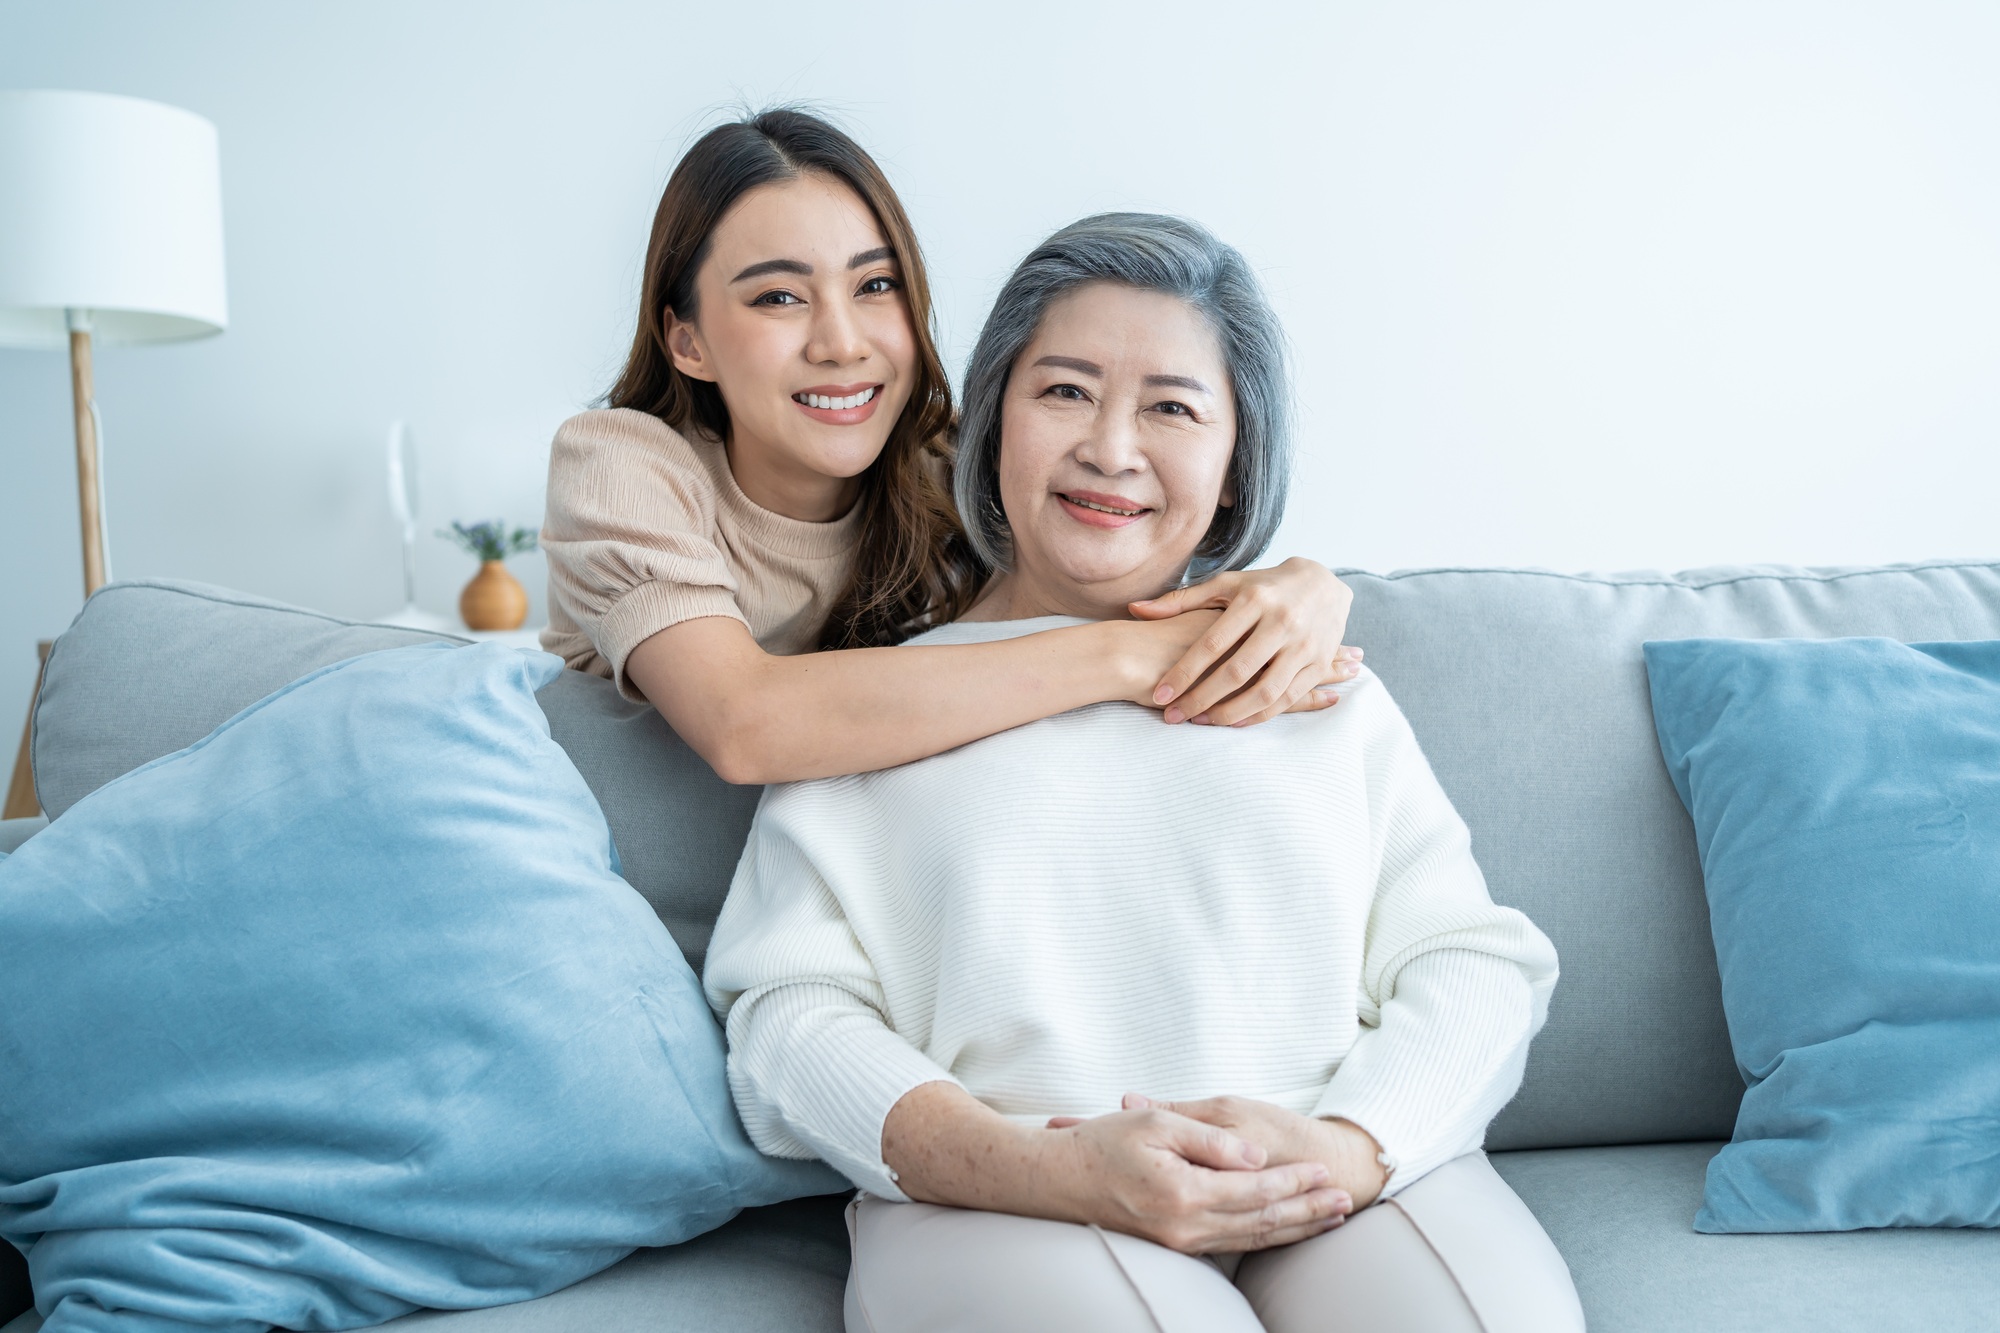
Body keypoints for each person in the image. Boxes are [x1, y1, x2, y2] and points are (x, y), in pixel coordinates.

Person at [703, 213, 1584, 1332]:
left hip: (1329, 1167)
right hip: (1004, 1198)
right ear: (991, 426)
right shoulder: (870, 709)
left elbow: (1468, 960)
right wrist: (1032, 1167)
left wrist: (1353, 1148)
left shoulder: (1314, 682)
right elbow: (788, 1014)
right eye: (1063, 391)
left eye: (1170, 407)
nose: (1110, 448)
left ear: (1230, 471)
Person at [539, 109, 1359, 784]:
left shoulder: (952, 464)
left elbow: (1128, 543)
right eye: (779, 297)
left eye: (875, 285)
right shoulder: (621, 467)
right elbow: (745, 724)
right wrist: (1133, 657)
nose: (841, 342)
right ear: (687, 343)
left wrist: (1306, 589)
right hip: (655, 919)